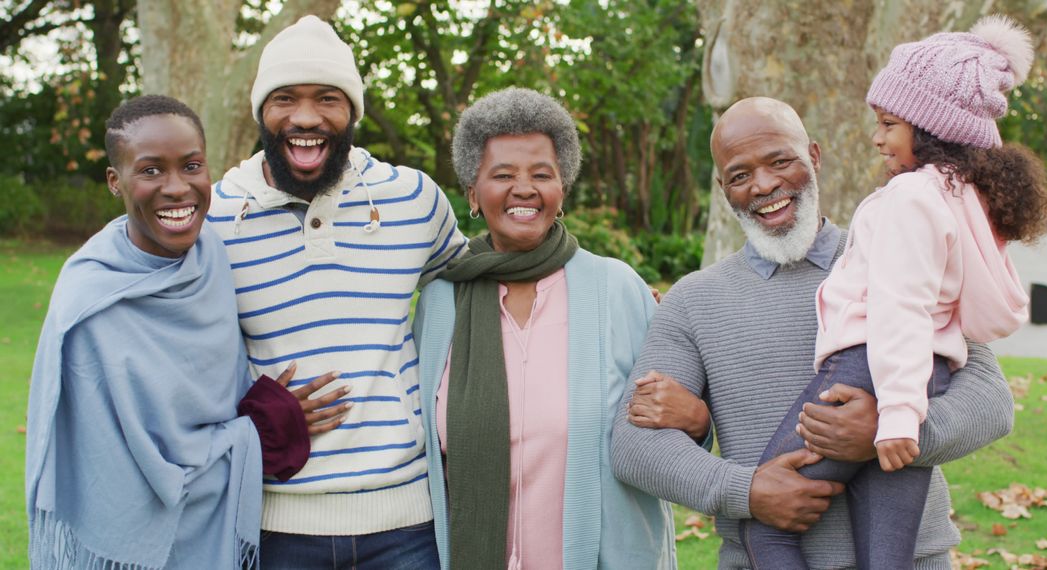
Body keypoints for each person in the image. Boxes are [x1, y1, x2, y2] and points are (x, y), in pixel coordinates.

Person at [611, 96, 1016, 569]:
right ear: (724, 190)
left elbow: (991, 399)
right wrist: (746, 492)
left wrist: (893, 433)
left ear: (815, 157)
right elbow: (633, 445)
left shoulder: (900, 250)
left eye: (781, 161)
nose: (764, 185)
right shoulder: (694, 300)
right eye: (740, 176)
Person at [740, 15, 1047, 569]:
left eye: (889, 123)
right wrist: (907, 411)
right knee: (887, 559)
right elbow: (977, 315)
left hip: (869, 371)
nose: (877, 137)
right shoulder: (962, 198)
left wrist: (896, 416)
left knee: (766, 527)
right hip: (924, 377)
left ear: (931, 129)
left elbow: (900, 308)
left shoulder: (909, 197)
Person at [25, 95, 341, 569]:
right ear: (116, 181)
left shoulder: (213, 255)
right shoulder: (89, 299)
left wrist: (257, 426)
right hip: (125, 547)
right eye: (151, 171)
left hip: (216, 532)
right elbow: (106, 467)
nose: (177, 188)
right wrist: (265, 429)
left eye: (192, 166)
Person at [205, 15, 467, 568]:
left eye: (327, 98)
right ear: (261, 112)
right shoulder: (216, 217)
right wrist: (250, 422)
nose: (305, 117)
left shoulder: (413, 200)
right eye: (284, 99)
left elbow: (482, 283)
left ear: (352, 111)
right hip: (274, 525)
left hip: (406, 525)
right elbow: (179, 358)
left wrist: (626, 299)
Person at [412, 87, 676, 569]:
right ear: (473, 192)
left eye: (542, 174)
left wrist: (695, 421)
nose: (524, 188)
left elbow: (675, 426)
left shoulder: (616, 289)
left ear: (562, 189)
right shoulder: (441, 299)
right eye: (503, 175)